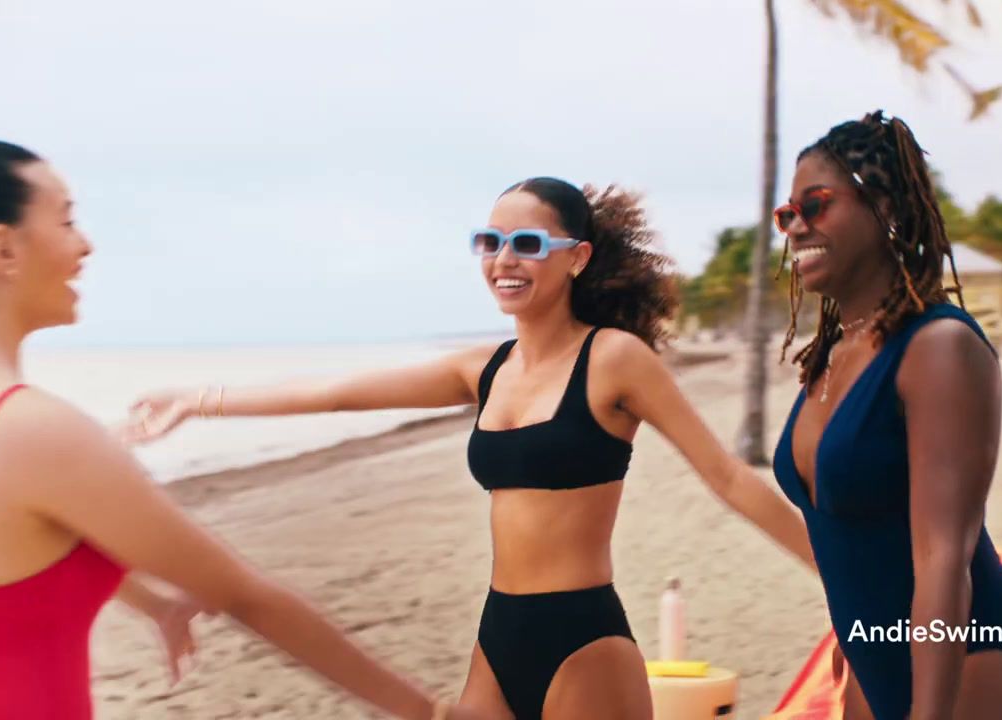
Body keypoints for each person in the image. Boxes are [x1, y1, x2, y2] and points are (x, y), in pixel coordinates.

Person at [123, 176, 815, 720]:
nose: (504, 260)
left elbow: (727, 477)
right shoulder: (482, 369)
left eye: (527, 245)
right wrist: (199, 400)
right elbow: (335, 392)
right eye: (490, 242)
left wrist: (842, 581)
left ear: (577, 258)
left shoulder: (613, 360)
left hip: (585, 642)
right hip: (498, 635)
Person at [0, 139, 483, 720]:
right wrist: (432, 712)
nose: (85, 244)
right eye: (66, 220)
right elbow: (249, 598)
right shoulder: (32, 431)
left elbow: (11, 557)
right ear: (3, 249)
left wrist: (154, 605)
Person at [770, 111, 1002, 719]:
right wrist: (856, 645)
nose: (797, 228)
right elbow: (849, 541)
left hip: (978, 659)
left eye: (817, 205)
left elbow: (942, 557)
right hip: (879, 661)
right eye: (787, 215)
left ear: (884, 208)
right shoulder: (830, 356)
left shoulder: (938, 346)